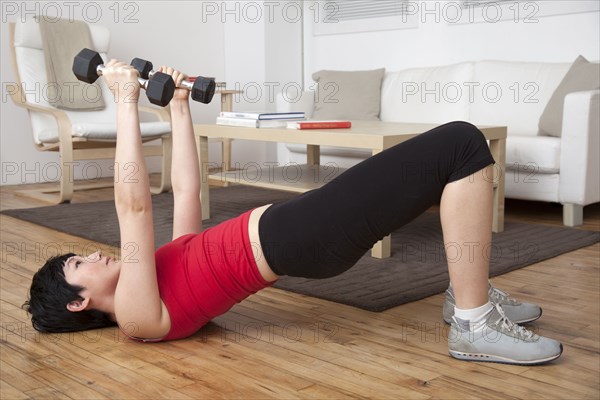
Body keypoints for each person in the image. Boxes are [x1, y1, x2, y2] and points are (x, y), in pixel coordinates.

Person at [24, 61, 562, 365]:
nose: (92, 253)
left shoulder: (159, 278)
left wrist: (179, 107)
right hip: (303, 237)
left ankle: (467, 298)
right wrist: (123, 101)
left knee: (452, 155)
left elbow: (184, 192)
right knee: (462, 144)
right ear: (79, 304)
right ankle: (471, 320)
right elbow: (133, 204)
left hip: (300, 227)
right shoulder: (139, 317)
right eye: (80, 264)